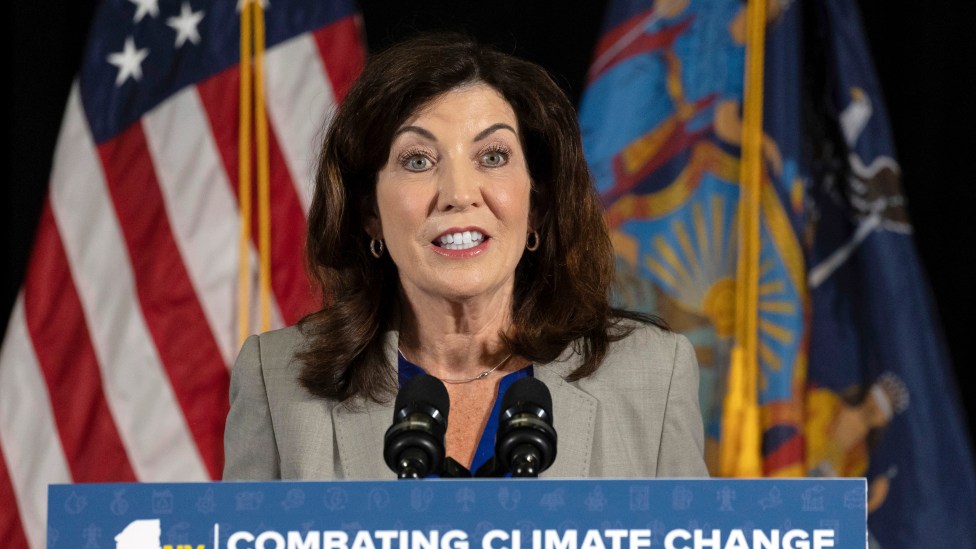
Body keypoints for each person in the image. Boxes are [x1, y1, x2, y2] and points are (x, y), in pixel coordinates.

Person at [223, 33, 707, 481]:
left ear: (535, 205)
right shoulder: (278, 382)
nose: (458, 194)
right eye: (418, 160)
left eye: (492, 156)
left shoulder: (652, 377)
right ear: (370, 212)